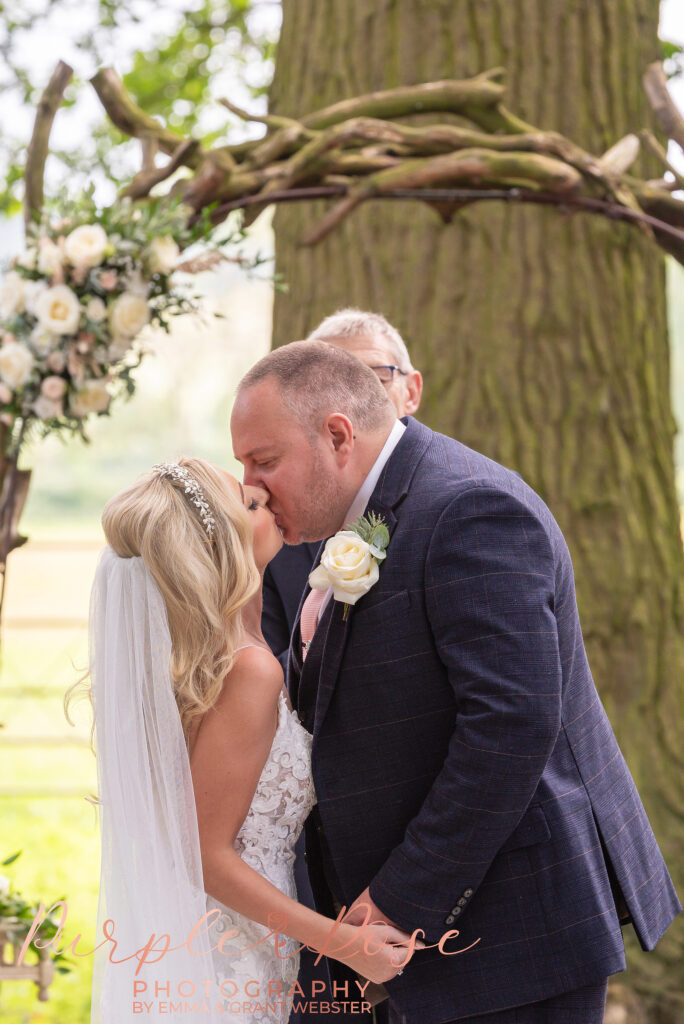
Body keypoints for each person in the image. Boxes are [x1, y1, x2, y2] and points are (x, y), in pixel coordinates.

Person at [230, 342, 681, 1024]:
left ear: (338, 435)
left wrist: (399, 904)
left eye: (264, 460)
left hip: (508, 939)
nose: (251, 488)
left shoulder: (471, 510)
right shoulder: (353, 514)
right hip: (393, 944)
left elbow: (509, 729)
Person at [79, 456, 419, 1024]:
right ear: (223, 548)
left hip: (221, 941)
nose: (267, 495)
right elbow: (206, 857)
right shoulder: (245, 672)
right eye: (252, 503)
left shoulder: (212, 662)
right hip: (227, 955)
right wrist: (339, 942)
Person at [260, 310, 422, 1024]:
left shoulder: (458, 510)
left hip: (430, 889)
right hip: (313, 889)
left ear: (408, 391)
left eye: (372, 377)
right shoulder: (280, 532)